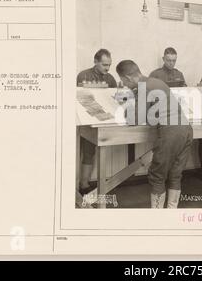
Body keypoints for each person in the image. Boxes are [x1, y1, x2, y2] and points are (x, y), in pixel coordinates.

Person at [116, 60, 193, 208]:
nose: (125, 85)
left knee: (157, 176)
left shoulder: (144, 87)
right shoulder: (155, 82)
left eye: (123, 81)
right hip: (186, 129)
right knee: (175, 175)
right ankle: (170, 214)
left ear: (128, 77)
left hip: (171, 131)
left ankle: (157, 218)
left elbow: (134, 120)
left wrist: (125, 104)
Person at [76, 49, 117, 195]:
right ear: (95, 61)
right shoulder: (83, 75)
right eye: (104, 64)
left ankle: (93, 185)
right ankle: (83, 184)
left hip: (105, 119)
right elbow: (79, 98)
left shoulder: (111, 78)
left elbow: (113, 100)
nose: (107, 68)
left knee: (98, 151)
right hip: (87, 119)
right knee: (87, 152)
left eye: (109, 65)